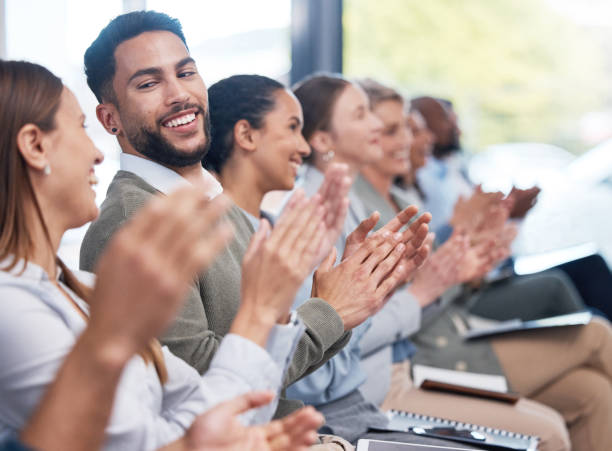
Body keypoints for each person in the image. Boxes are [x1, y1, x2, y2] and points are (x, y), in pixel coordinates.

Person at [0, 59, 326, 451]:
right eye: (82, 127)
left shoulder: (80, 288)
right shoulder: (14, 308)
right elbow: (143, 440)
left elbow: (202, 406)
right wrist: (264, 311)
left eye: (186, 73)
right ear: (35, 145)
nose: (97, 154)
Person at [204, 73, 476, 450]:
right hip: (334, 414)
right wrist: (365, 300)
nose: (378, 127)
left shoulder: (320, 213)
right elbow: (310, 374)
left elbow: (318, 345)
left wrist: (367, 296)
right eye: (362, 114)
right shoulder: (292, 220)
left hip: (358, 405)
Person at [357, 78, 612, 451]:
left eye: (412, 130)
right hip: (424, 356)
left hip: (444, 332)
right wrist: (453, 269)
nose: (413, 140)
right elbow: (383, 318)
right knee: (593, 333)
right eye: (399, 130)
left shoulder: (400, 196)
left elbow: (433, 289)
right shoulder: (365, 214)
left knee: (593, 390)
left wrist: (475, 254)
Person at [412, 96, 612, 319]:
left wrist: (510, 213)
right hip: (469, 288)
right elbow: (451, 241)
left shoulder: (452, 170)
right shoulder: (427, 182)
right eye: (445, 120)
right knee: (566, 286)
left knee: (590, 265)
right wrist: (464, 223)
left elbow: (479, 229)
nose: (456, 128)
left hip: (494, 268)